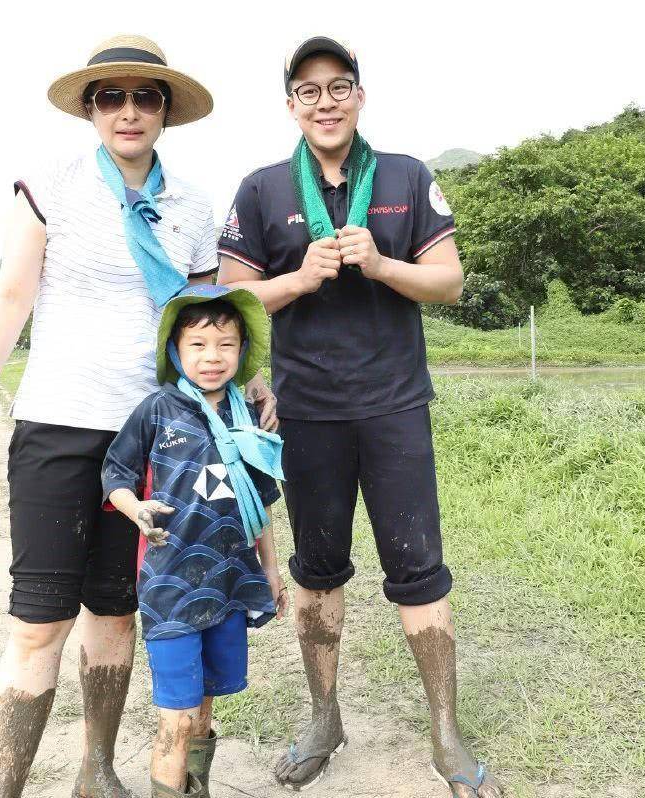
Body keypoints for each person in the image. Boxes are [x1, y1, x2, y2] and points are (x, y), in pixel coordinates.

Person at [0, 35, 276, 798]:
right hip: (58, 424)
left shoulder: (191, 206)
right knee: (38, 621)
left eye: (145, 97)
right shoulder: (50, 188)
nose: (129, 111)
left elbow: (198, 324)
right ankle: (4, 790)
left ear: (165, 112)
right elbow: (13, 296)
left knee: (116, 612)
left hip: (155, 437)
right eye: (112, 97)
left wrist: (248, 386)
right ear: (91, 110)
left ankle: (97, 771)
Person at [217, 37, 504, 798]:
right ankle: (324, 717)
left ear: (359, 95)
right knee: (316, 573)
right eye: (308, 92)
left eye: (338, 86)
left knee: (420, 570)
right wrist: (297, 277)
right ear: (291, 107)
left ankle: (445, 733)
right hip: (306, 411)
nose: (325, 102)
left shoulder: (406, 176)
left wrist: (378, 265)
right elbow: (233, 302)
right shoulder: (261, 189)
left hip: (396, 405)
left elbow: (448, 282)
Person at [102, 284, 288, 798]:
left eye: (226, 345)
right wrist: (134, 508)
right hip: (170, 586)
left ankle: (195, 787)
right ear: (175, 352)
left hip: (229, 583)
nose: (212, 357)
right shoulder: (156, 409)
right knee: (177, 719)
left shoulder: (245, 414)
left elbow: (260, 501)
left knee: (205, 707)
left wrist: (269, 571)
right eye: (198, 346)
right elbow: (114, 473)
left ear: (242, 351)